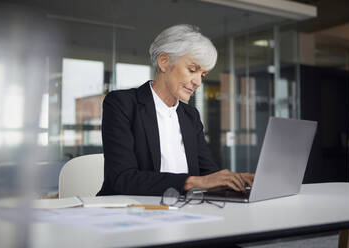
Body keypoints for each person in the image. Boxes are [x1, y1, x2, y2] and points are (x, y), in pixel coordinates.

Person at [97, 24, 254, 197]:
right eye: (192, 70)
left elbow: (208, 174)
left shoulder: (190, 116)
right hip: (131, 212)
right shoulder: (122, 104)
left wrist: (235, 181)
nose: (198, 82)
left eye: (202, 75)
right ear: (164, 62)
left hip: (184, 212)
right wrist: (192, 182)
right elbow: (123, 179)